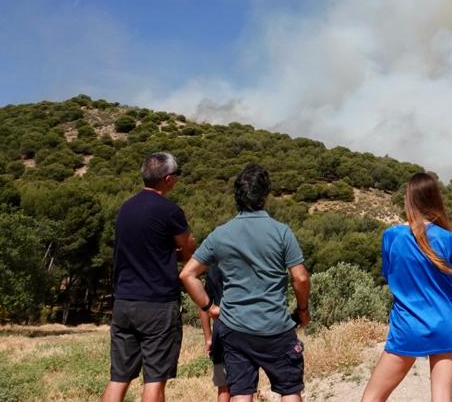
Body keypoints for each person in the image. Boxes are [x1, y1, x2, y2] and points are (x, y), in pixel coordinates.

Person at [181, 164, 310, 402]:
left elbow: (187, 275)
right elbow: (300, 278)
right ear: (265, 196)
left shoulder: (220, 234)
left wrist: (210, 308)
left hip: (235, 328)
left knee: (241, 392)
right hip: (276, 327)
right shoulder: (281, 232)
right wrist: (302, 310)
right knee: (290, 390)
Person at [361, 173, 452, 402]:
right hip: (447, 323)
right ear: (436, 200)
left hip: (409, 324)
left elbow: (390, 278)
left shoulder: (392, 236)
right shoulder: (451, 240)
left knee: (372, 397)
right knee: (442, 397)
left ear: (408, 199)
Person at [103, 152, 196, 402]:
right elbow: (189, 249)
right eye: (175, 176)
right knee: (154, 380)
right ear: (167, 179)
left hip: (124, 302)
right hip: (157, 305)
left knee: (118, 378)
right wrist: (175, 254)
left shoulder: (126, 208)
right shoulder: (170, 211)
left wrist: (164, 251)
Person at [199, 263, 230, 402]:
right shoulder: (246, 262)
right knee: (243, 387)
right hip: (243, 328)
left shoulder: (213, 269)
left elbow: (204, 305)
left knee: (223, 387)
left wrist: (208, 337)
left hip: (220, 330)